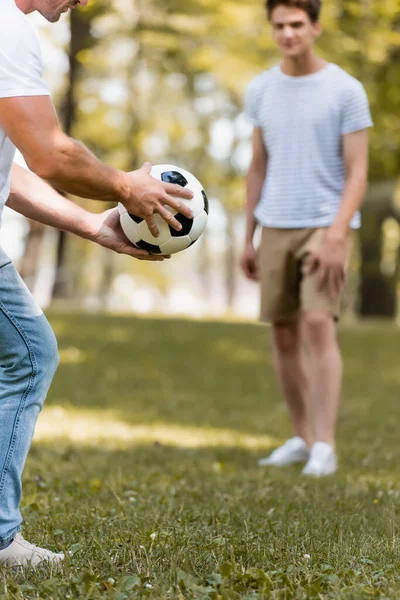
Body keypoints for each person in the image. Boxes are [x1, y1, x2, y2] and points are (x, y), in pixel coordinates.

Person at [0, 0, 194, 567]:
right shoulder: (9, 29)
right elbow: (51, 154)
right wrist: (125, 186)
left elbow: (9, 170)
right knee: (30, 354)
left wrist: (91, 224)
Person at [241, 0, 372, 477]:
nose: (287, 33)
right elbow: (257, 167)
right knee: (283, 332)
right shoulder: (261, 90)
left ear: (315, 27)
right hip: (275, 222)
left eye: (296, 24)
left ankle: (326, 446)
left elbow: (358, 171)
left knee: (319, 323)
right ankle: (301, 437)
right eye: (279, 25)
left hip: (325, 223)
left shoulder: (345, 90)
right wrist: (247, 236)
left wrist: (336, 236)